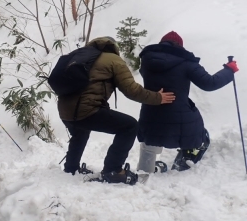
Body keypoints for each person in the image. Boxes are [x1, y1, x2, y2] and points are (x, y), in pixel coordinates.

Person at [57, 36, 175, 185]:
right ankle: (113, 170)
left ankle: (71, 168)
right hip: (85, 110)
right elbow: (131, 90)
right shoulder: (113, 59)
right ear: (114, 47)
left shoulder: (79, 56)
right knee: (129, 126)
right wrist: (157, 97)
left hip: (65, 111)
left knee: (80, 131)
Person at [136, 31, 237, 173]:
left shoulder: (147, 61)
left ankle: (144, 172)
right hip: (177, 114)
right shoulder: (186, 62)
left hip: (151, 112)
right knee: (196, 130)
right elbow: (209, 83)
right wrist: (229, 71)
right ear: (179, 46)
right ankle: (189, 156)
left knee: (150, 139)